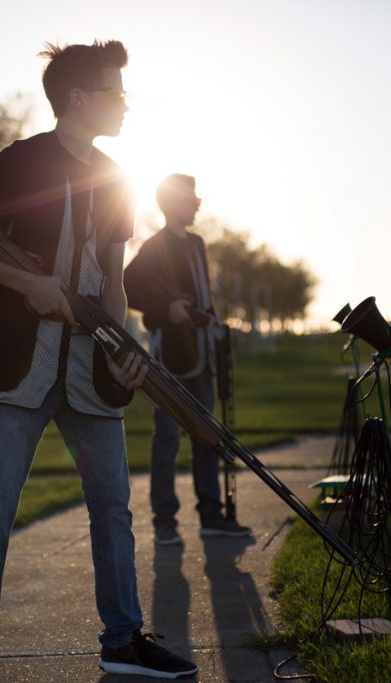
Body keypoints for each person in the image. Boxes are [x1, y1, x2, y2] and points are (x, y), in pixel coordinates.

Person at [0, 41, 198, 682]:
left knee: (113, 510)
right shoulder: (20, 160)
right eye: (116, 92)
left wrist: (124, 350)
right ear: (78, 99)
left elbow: (112, 281)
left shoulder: (118, 177)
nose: (126, 104)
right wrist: (25, 282)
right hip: (15, 368)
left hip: (89, 370)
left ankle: (122, 640)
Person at [124, 174, 252, 546]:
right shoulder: (155, 246)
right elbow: (128, 285)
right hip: (171, 358)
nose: (196, 205)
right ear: (171, 204)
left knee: (207, 437)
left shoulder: (197, 244)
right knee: (166, 439)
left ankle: (211, 515)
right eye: (190, 200)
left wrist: (216, 333)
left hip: (203, 353)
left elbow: (203, 296)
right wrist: (166, 308)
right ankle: (165, 521)